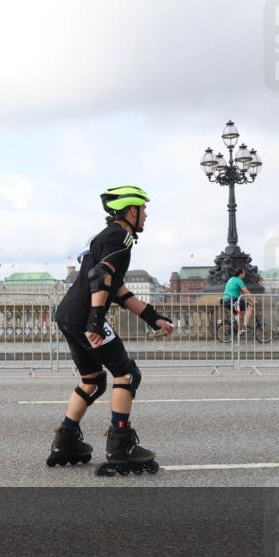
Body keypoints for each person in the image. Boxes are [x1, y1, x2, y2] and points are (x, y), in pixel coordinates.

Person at [49, 185, 174, 476]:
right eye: (144, 211)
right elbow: (100, 277)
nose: (146, 217)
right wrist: (94, 322)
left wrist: (153, 318)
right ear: (133, 211)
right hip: (83, 317)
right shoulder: (122, 237)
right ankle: (121, 446)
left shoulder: (102, 237)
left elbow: (117, 288)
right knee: (127, 373)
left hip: (67, 314)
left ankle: (66, 440)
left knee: (93, 379)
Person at [222, 267, 254, 335]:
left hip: (226, 300)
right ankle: (245, 327)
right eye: (244, 273)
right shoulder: (238, 280)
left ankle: (234, 326)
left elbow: (236, 292)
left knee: (238, 315)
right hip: (232, 300)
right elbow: (246, 291)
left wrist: (244, 297)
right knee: (250, 306)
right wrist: (253, 299)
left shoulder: (231, 279)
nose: (245, 274)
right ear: (241, 273)